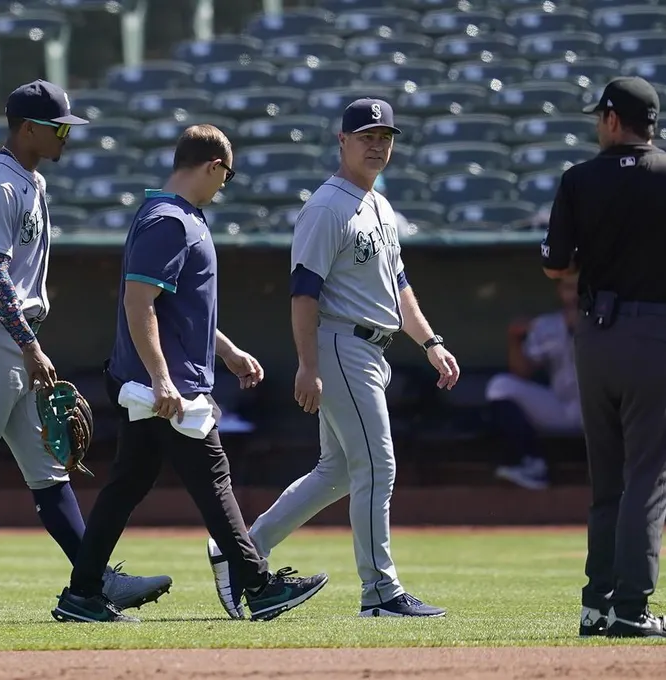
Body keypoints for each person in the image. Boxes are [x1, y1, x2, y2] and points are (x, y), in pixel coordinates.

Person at [0, 80, 171, 624]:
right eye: (58, 125)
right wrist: (30, 344)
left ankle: (94, 579)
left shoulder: (30, 180)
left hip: (11, 336)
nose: (67, 133)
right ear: (26, 128)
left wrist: (26, 343)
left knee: (49, 473)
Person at [52, 124, 329, 624]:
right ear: (213, 166)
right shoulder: (169, 221)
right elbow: (140, 305)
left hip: (162, 381)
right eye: (226, 175)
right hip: (166, 388)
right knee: (213, 477)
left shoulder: (174, 216)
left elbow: (181, 309)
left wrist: (226, 351)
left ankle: (83, 592)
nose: (225, 185)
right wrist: (161, 379)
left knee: (129, 483)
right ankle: (258, 585)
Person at [209, 98, 460, 619]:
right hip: (342, 344)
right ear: (342, 141)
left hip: (371, 347)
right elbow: (304, 292)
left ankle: (240, 549)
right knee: (378, 466)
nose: (377, 144)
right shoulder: (327, 206)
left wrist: (431, 342)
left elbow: (399, 286)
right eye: (366, 135)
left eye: (385, 136)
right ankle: (380, 592)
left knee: (338, 471)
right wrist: (308, 364)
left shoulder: (380, 205)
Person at [542, 75, 666, 639]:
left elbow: (555, 266)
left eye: (600, 117)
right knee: (647, 474)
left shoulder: (579, 178)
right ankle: (632, 607)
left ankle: (598, 602)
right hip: (655, 335)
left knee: (607, 479)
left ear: (613, 120)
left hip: (595, 336)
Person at [487, 273, 582, 490]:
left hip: (605, 413)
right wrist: (515, 339)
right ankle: (529, 463)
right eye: (569, 288)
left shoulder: (616, 324)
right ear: (560, 291)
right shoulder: (548, 325)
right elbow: (522, 371)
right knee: (500, 385)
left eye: (580, 288)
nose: (575, 294)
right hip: (563, 406)